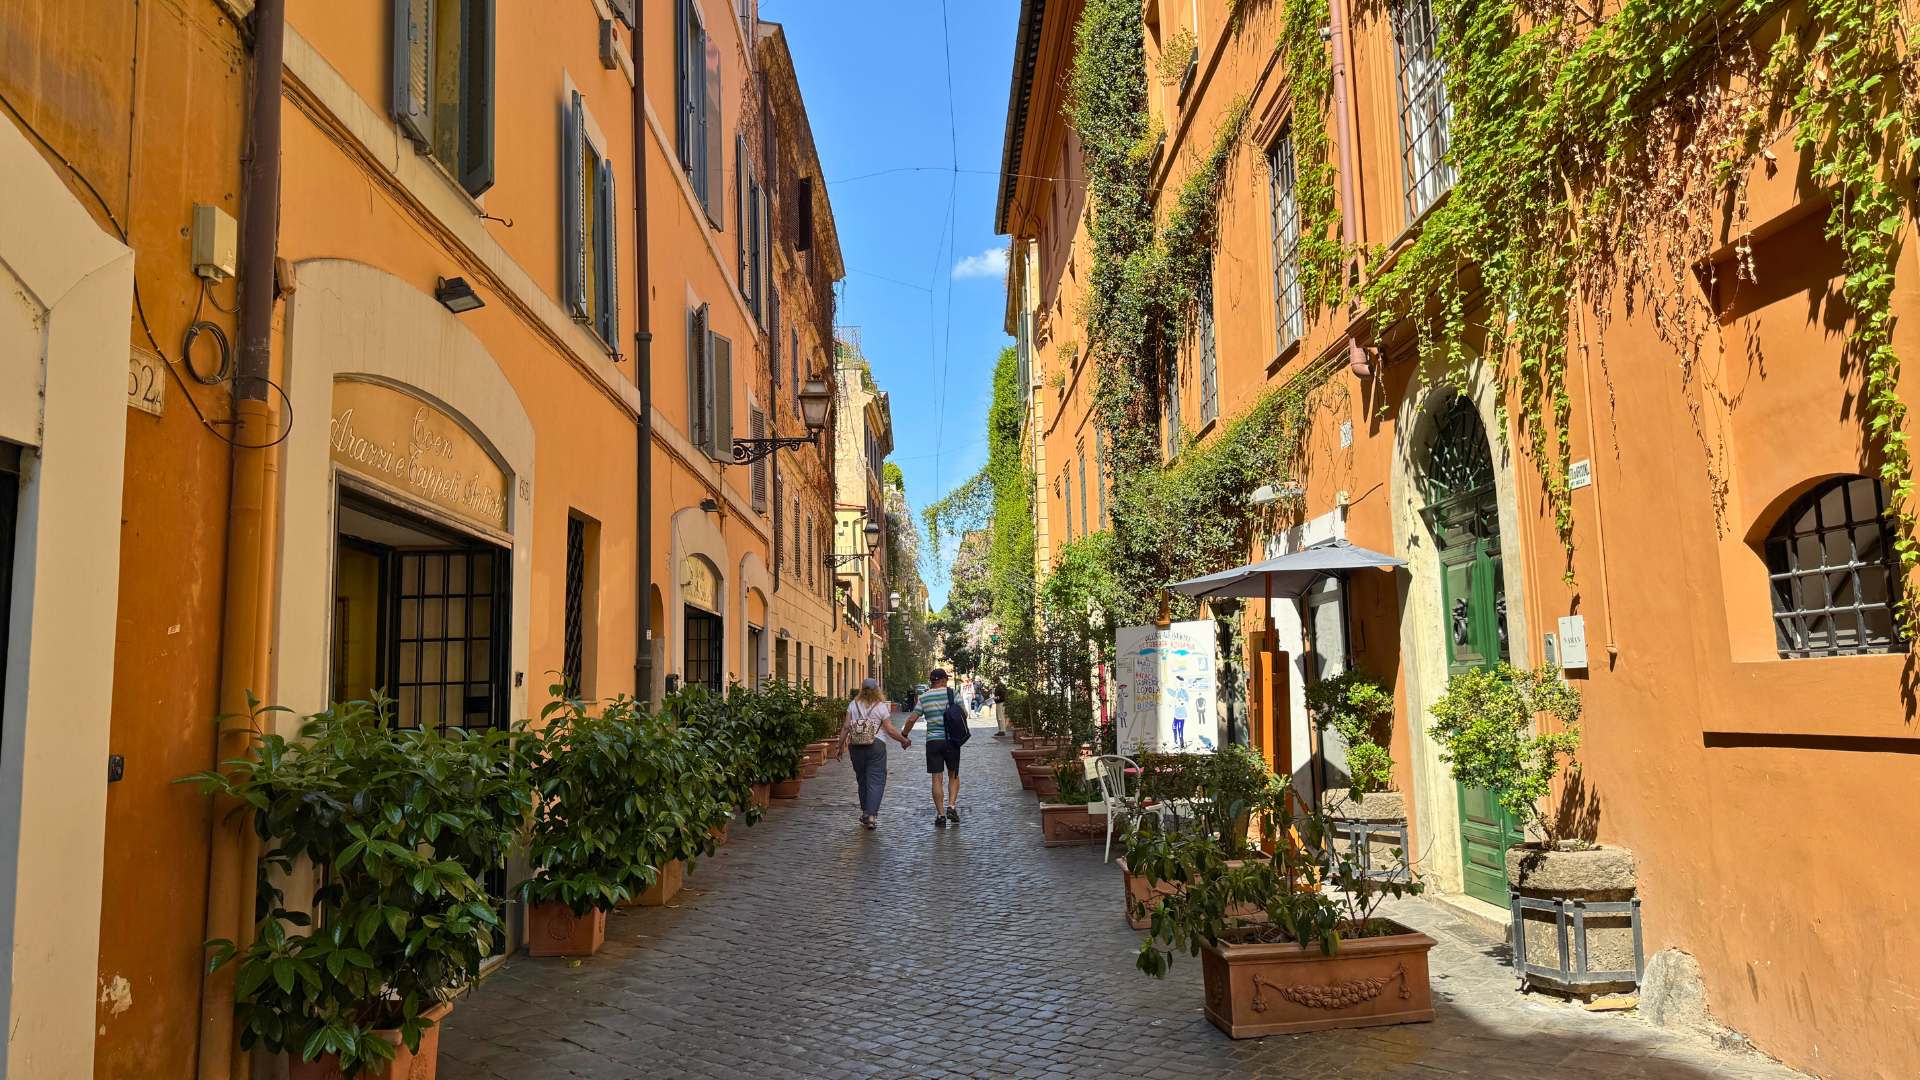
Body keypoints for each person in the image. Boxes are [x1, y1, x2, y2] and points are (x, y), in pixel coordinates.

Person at [838, 678, 908, 830]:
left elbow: (845, 727)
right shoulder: (881, 707)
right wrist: (903, 740)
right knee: (876, 780)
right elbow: (889, 729)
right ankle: (871, 816)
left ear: (861, 690)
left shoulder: (853, 704)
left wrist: (839, 746)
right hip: (876, 745)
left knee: (862, 780)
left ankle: (865, 812)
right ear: (877, 690)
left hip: (855, 746)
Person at [902, 668, 962, 826]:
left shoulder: (924, 697)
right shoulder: (953, 694)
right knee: (953, 775)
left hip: (933, 742)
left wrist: (904, 735)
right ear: (943, 680)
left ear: (932, 681)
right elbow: (964, 714)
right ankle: (951, 806)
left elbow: (912, 719)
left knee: (936, 778)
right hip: (952, 740)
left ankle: (941, 815)